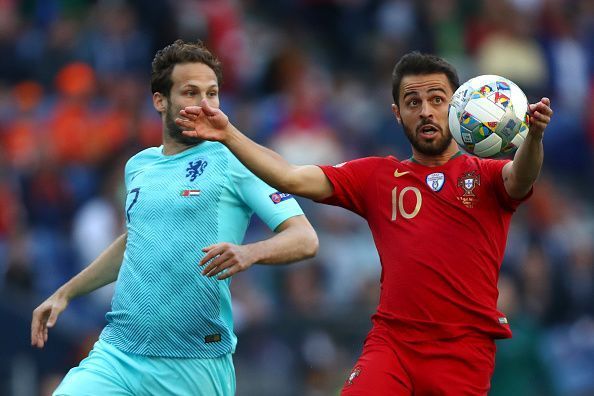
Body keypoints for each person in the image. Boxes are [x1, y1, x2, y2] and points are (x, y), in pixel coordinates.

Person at [176, 52, 553, 395]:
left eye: (437, 100)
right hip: (393, 344)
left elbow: (522, 176)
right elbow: (291, 177)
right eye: (413, 102)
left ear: (457, 107)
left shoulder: (486, 177)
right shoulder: (376, 176)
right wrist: (228, 134)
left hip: (463, 350)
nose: (425, 111)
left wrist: (532, 137)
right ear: (397, 113)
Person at [31, 39, 319, 396]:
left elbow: (305, 238)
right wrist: (66, 292)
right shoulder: (138, 166)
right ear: (160, 100)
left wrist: (250, 253)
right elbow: (137, 240)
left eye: (212, 94)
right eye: (190, 92)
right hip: (119, 353)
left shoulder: (239, 160)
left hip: (194, 362)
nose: (205, 104)